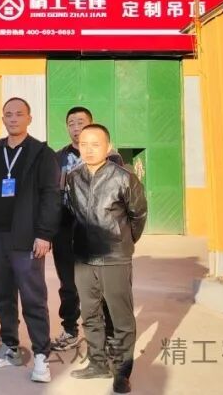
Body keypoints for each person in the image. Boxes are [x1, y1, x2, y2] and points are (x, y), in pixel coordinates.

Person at [0, 97, 60, 383]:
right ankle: (9, 346)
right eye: (8, 114)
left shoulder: (42, 153)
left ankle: (41, 356)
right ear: (3, 119)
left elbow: (51, 196)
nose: (13, 119)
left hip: (26, 237)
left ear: (29, 118)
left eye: (19, 114)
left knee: (33, 297)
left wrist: (44, 234)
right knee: (1, 295)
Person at [65, 124, 146, 394]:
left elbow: (138, 215)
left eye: (95, 144)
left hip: (115, 257)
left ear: (108, 147)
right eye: (83, 144)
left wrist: (123, 242)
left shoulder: (124, 177)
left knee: (121, 318)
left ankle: (122, 372)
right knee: (90, 314)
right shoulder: (73, 177)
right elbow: (71, 212)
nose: (89, 150)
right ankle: (97, 363)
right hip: (84, 257)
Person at [52, 107, 125, 352]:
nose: (76, 127)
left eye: (81, 122)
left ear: (91, 124)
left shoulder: (112, 158)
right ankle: (70, 329)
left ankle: (106, 333)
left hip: (97, 230)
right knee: (67, 283)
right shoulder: (58, 157)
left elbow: (127, 201)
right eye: (71, 123)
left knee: (100, 284)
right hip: (65, 228)